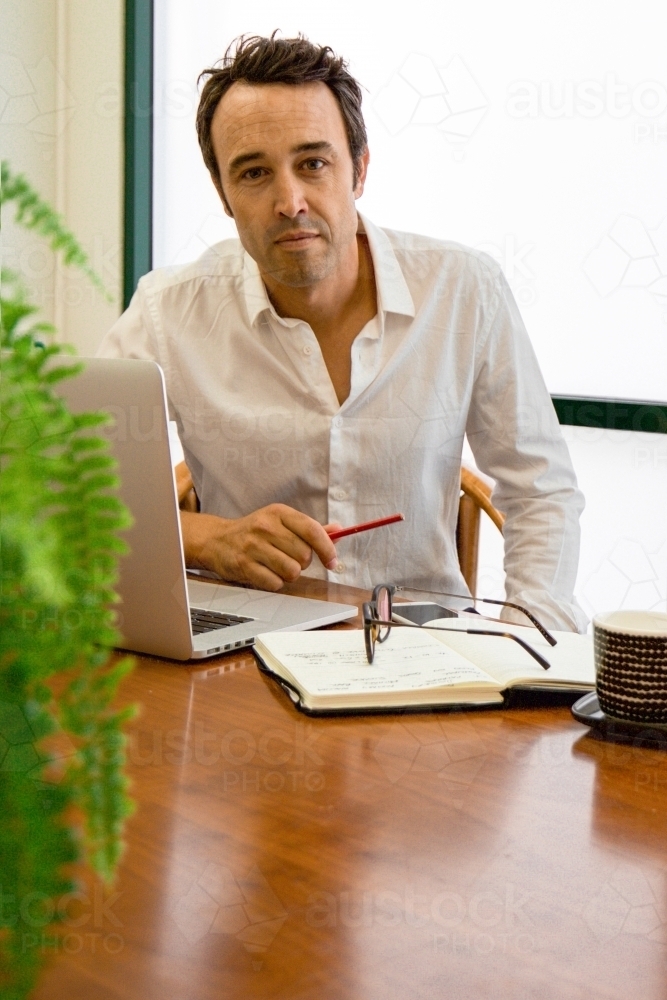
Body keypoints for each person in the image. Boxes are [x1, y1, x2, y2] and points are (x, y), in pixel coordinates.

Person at [98, 33, 587, 631]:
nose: (290, 200)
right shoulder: (167, 311)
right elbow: (63, 488)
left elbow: (541, 490)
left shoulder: (464, 289)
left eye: (314, 163)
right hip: (244, 648)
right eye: (254, 173)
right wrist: (204, 537)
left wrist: (526, 637)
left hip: (425, 643)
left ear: (358, 171)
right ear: (223, 194)